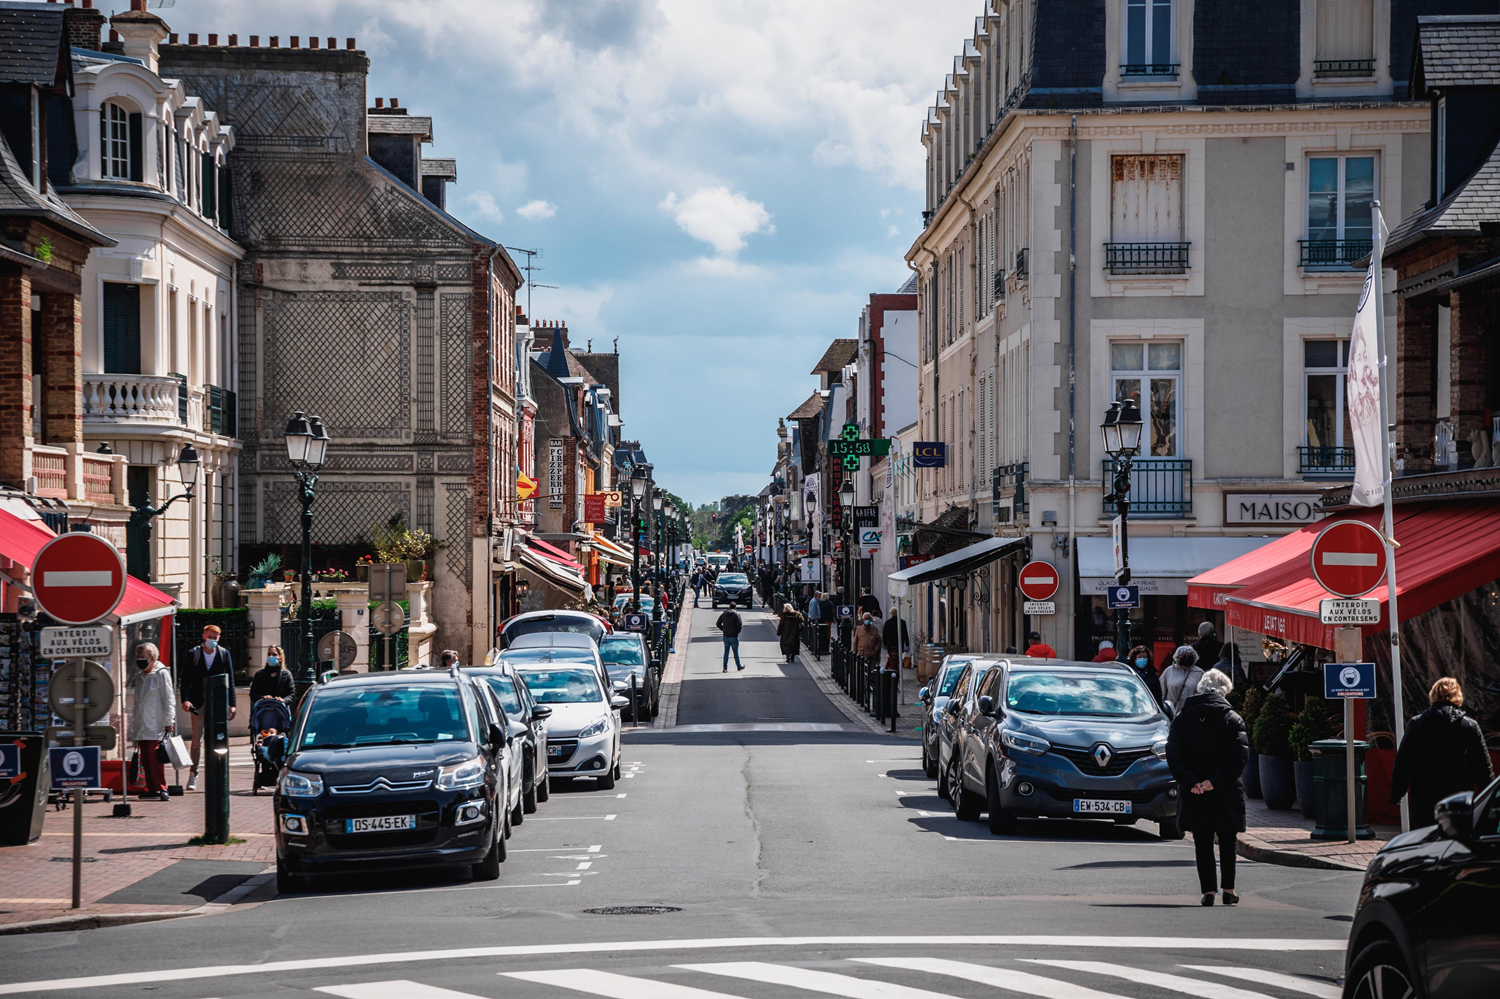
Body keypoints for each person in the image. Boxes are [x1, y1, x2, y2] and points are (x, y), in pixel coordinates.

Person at [1165, 668, 1248, 907]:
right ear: (1223, 692)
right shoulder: (1232, 719)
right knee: (1227, 839)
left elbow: (1174, 754)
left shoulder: (1182, 718)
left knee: (1202, 839)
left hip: (1194, 791)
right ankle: (1229, 889)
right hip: (1225, 790)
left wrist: (1192, 781)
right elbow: (1239, 757)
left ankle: (1208, 891)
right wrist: (1215, 781)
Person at [1390, 677, 1495, 827]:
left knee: (1423, 839)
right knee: (1455, 837)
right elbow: (1483, 767)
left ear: (1433, 695)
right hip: (1459, 798)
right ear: (1457, 696)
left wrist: (1397, 793)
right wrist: (1491, 799)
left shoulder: (1417, 724)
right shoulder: (1470, 726)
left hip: (1424, 799)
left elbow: (1403, 762)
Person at [181, 624, 235, 792]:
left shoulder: (224, 654)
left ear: (219, 638)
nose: (212, 640)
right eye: (210, 637)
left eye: (215, 638)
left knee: (217, 739)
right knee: (197, 740)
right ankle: (193, 773)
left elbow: (230, 680)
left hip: (218, 702)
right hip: (198, 703)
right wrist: (185, 700)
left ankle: (217, 773)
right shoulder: (194, 654)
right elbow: (186, 678)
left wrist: (232, 704)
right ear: (204, 636)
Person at [126, 643, 175, 801]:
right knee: (145, 758)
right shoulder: (141, 676)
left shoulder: (161, 674)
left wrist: (169, 720)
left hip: (156, 723)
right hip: (142, 723)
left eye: (143, 657)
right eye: (138, 656)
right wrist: (134, 720)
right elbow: (138, 701)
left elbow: (169, 698)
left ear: (152, 658)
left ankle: (162, 787)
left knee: (154, 757)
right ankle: (151, 787)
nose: (140, 659)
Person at [1160, 646, 1204, 716]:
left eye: (1189, 656)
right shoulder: (1169, 671)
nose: (1186, 658)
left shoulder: (1199, 673)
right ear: (1178, 657)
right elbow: (1161, 692)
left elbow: (1204, 695)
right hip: (1172, 714)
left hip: (1192, 714)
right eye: (1183, 656)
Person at [716, 606, 744, 672]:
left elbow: (718, 623)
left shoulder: (724, 614)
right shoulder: (736, 614)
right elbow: (740, 624)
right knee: (735, 651)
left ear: (729, 607)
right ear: (735, 608)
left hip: (726, 635)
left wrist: (723, 629)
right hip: (734, 636)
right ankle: (738, 666)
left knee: (726, 652)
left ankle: (725, 668)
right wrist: (737, 631)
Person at [882, 606, 908, 671]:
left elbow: (884, 634)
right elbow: (905, 633)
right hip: (899, 643)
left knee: (891, 657)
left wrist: (884, 643)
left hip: (890, 643)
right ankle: (898, 669)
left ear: (891, 614)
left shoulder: (887, 622)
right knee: (898, 657)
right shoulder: (902, 622)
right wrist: (907, 643)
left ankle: (892, 668)